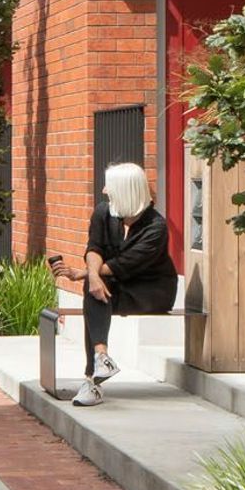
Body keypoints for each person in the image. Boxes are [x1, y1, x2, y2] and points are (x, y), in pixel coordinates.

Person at [72, 161, 176, 408]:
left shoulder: (156, 227)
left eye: (110, 186)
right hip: (115, 284)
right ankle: (100, 360)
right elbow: (94, 247)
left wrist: (89, 274)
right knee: (95, 292)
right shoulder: (103, 212)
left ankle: (92, 378)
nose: (105, 191)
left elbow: (126, 264)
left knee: (96, 291)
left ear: (127, 191)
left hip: (151, 290)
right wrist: (93, 275)